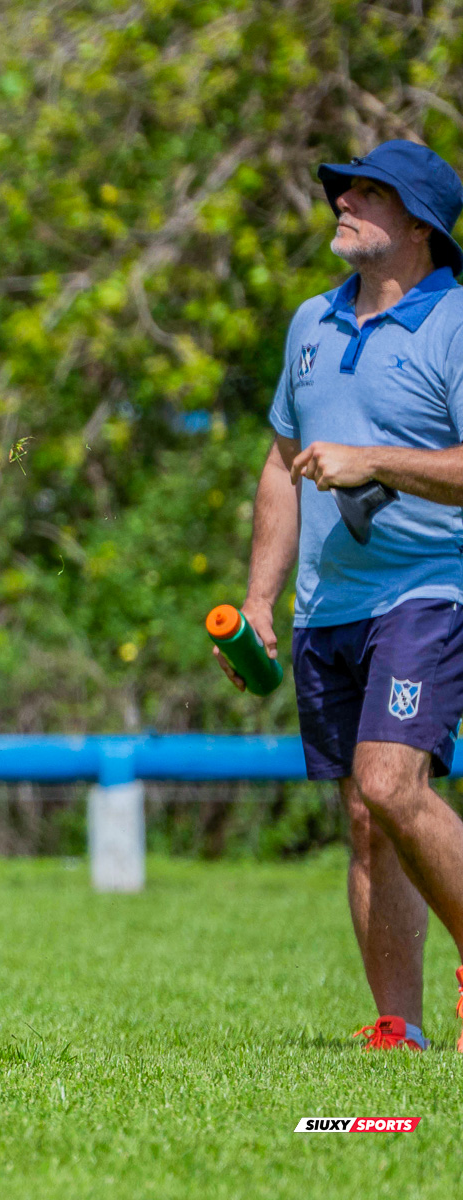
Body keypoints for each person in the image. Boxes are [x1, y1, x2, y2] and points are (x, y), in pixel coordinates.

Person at [221, 140, 463, 1052]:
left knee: (391, 782)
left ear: (419, 225)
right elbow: (282, 466)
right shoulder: (310, 325)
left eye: (367, 193)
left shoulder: (455, 325)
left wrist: (377, 462)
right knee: (365, 819)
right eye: (344, 189)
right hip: (330, 607)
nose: (342, 202)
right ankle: (400, 1028)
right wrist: (258, 602)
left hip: (433, 591)